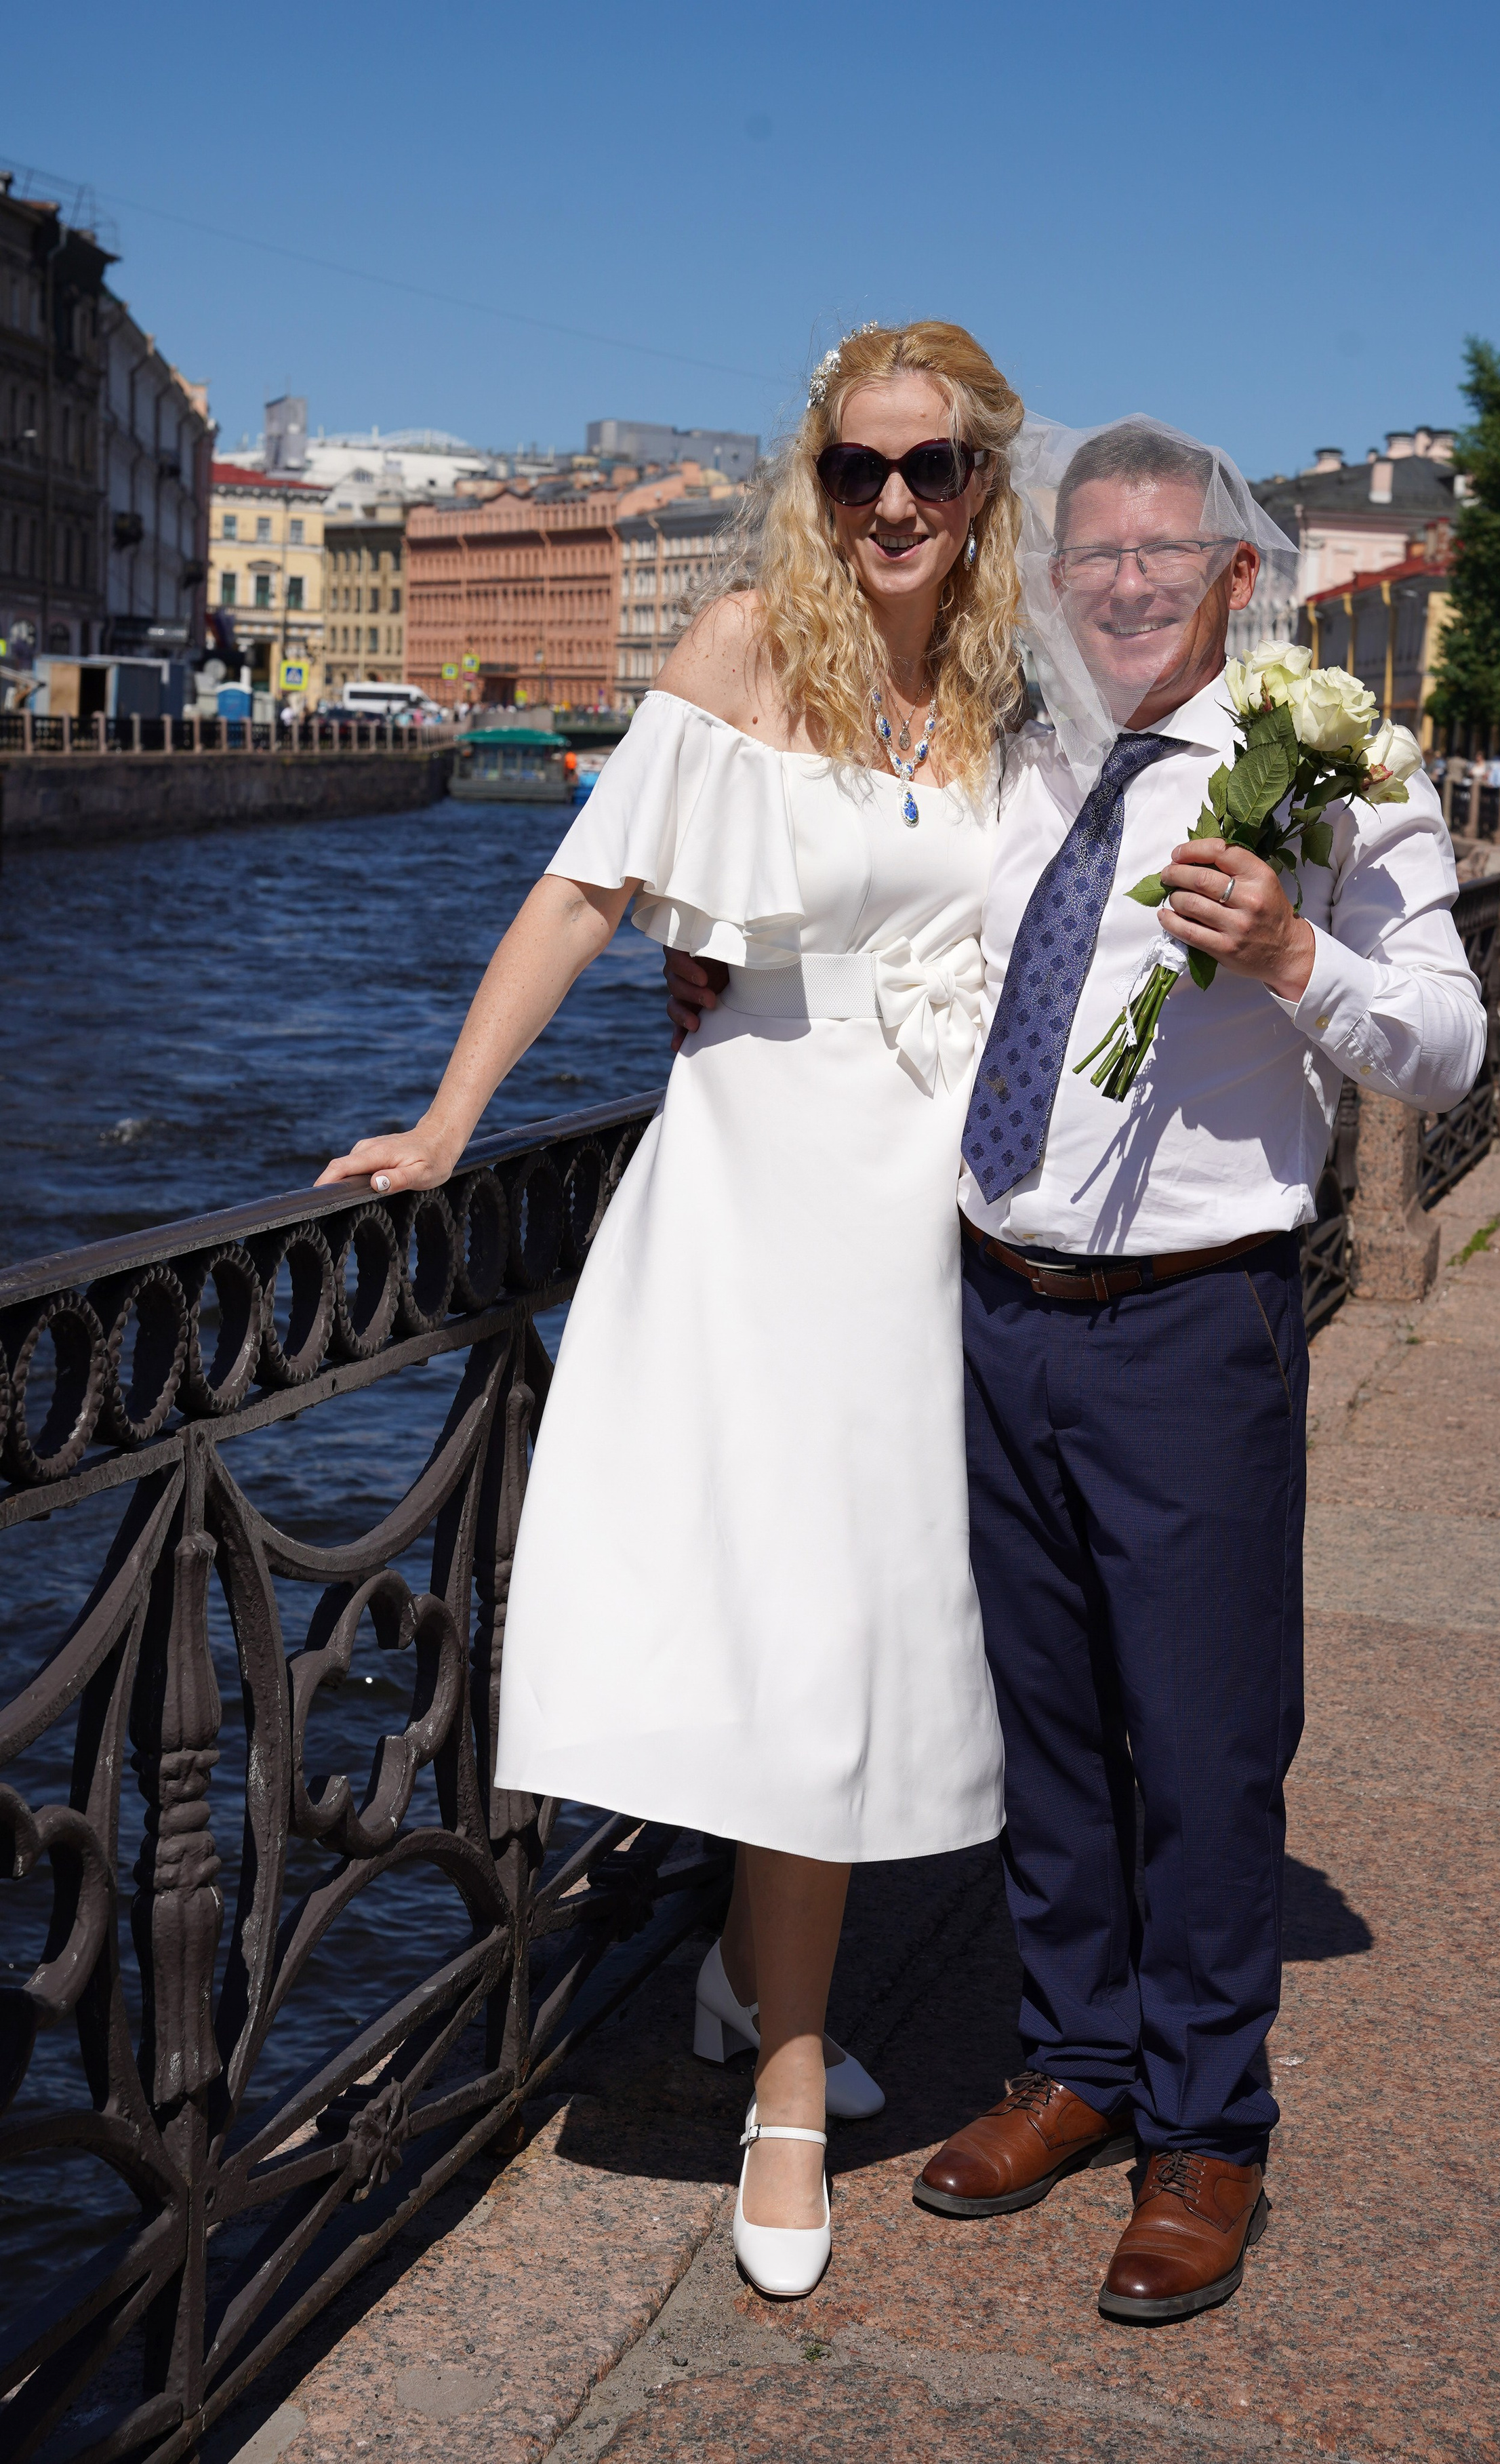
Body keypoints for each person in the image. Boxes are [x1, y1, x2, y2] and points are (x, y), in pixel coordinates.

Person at [669, 412, 1487, 2328]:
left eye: (1159, 556)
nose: (1120, 584)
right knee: (1042, 1720)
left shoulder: (1342, 783)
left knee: (1201, 1743)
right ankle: (1076, 2060)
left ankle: (1207, 2132)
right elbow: (878, 920)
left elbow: (1444, 1043)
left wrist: (1298, 959)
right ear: (1055, 579)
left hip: (1191, 1323)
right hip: (987, 1303)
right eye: (1090, 555)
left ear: (1231, 578)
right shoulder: (1017, 758)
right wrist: (717, 959)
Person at [317, 320, 1026, 2303]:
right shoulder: (737, 649)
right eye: (855, 471)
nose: (892, 505)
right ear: (814, 483)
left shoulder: (997, 694)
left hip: (918, 1231)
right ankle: (785, 2081)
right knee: (782, 1631)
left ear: (985, 484)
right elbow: (584, 889)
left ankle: (735, 1973)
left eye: (932, 470)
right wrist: (453, 1119)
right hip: (747, 1203)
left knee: (850, 1637)